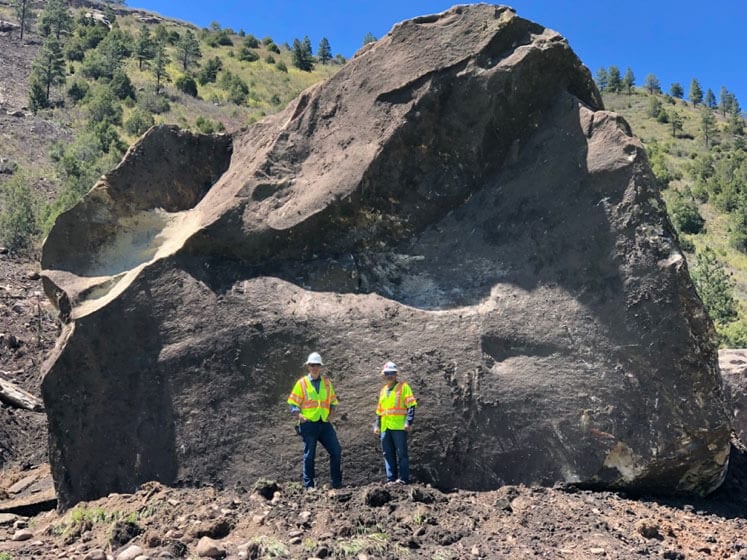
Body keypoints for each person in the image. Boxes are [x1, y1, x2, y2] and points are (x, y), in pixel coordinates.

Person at [287, 351, 342, 489]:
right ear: (308, 367)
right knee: (309, 455)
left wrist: (332, 413)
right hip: (309, 424)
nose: (314, 367)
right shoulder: (302, 383)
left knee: (336, 451)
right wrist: (299, 416)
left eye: (317, 365)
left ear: (320, 366)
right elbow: (292, 403)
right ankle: (309, 486)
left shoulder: (327, 383)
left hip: (324, 423)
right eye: (312, 365)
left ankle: (337, 484)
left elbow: (333, 401)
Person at [373, 361, 417, 484]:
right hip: (385, 427)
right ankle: (391, 479)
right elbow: (379, 410)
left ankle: (403, 479)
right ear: (384, 375)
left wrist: (408, 422)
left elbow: (411, 405)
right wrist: (377, 425)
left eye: (392, 373)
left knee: (401, 453)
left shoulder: (403, 387)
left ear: (396, 374)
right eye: (387, 373)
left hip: (399, 426)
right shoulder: (383, 390)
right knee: (387, 453)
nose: (389, 376)